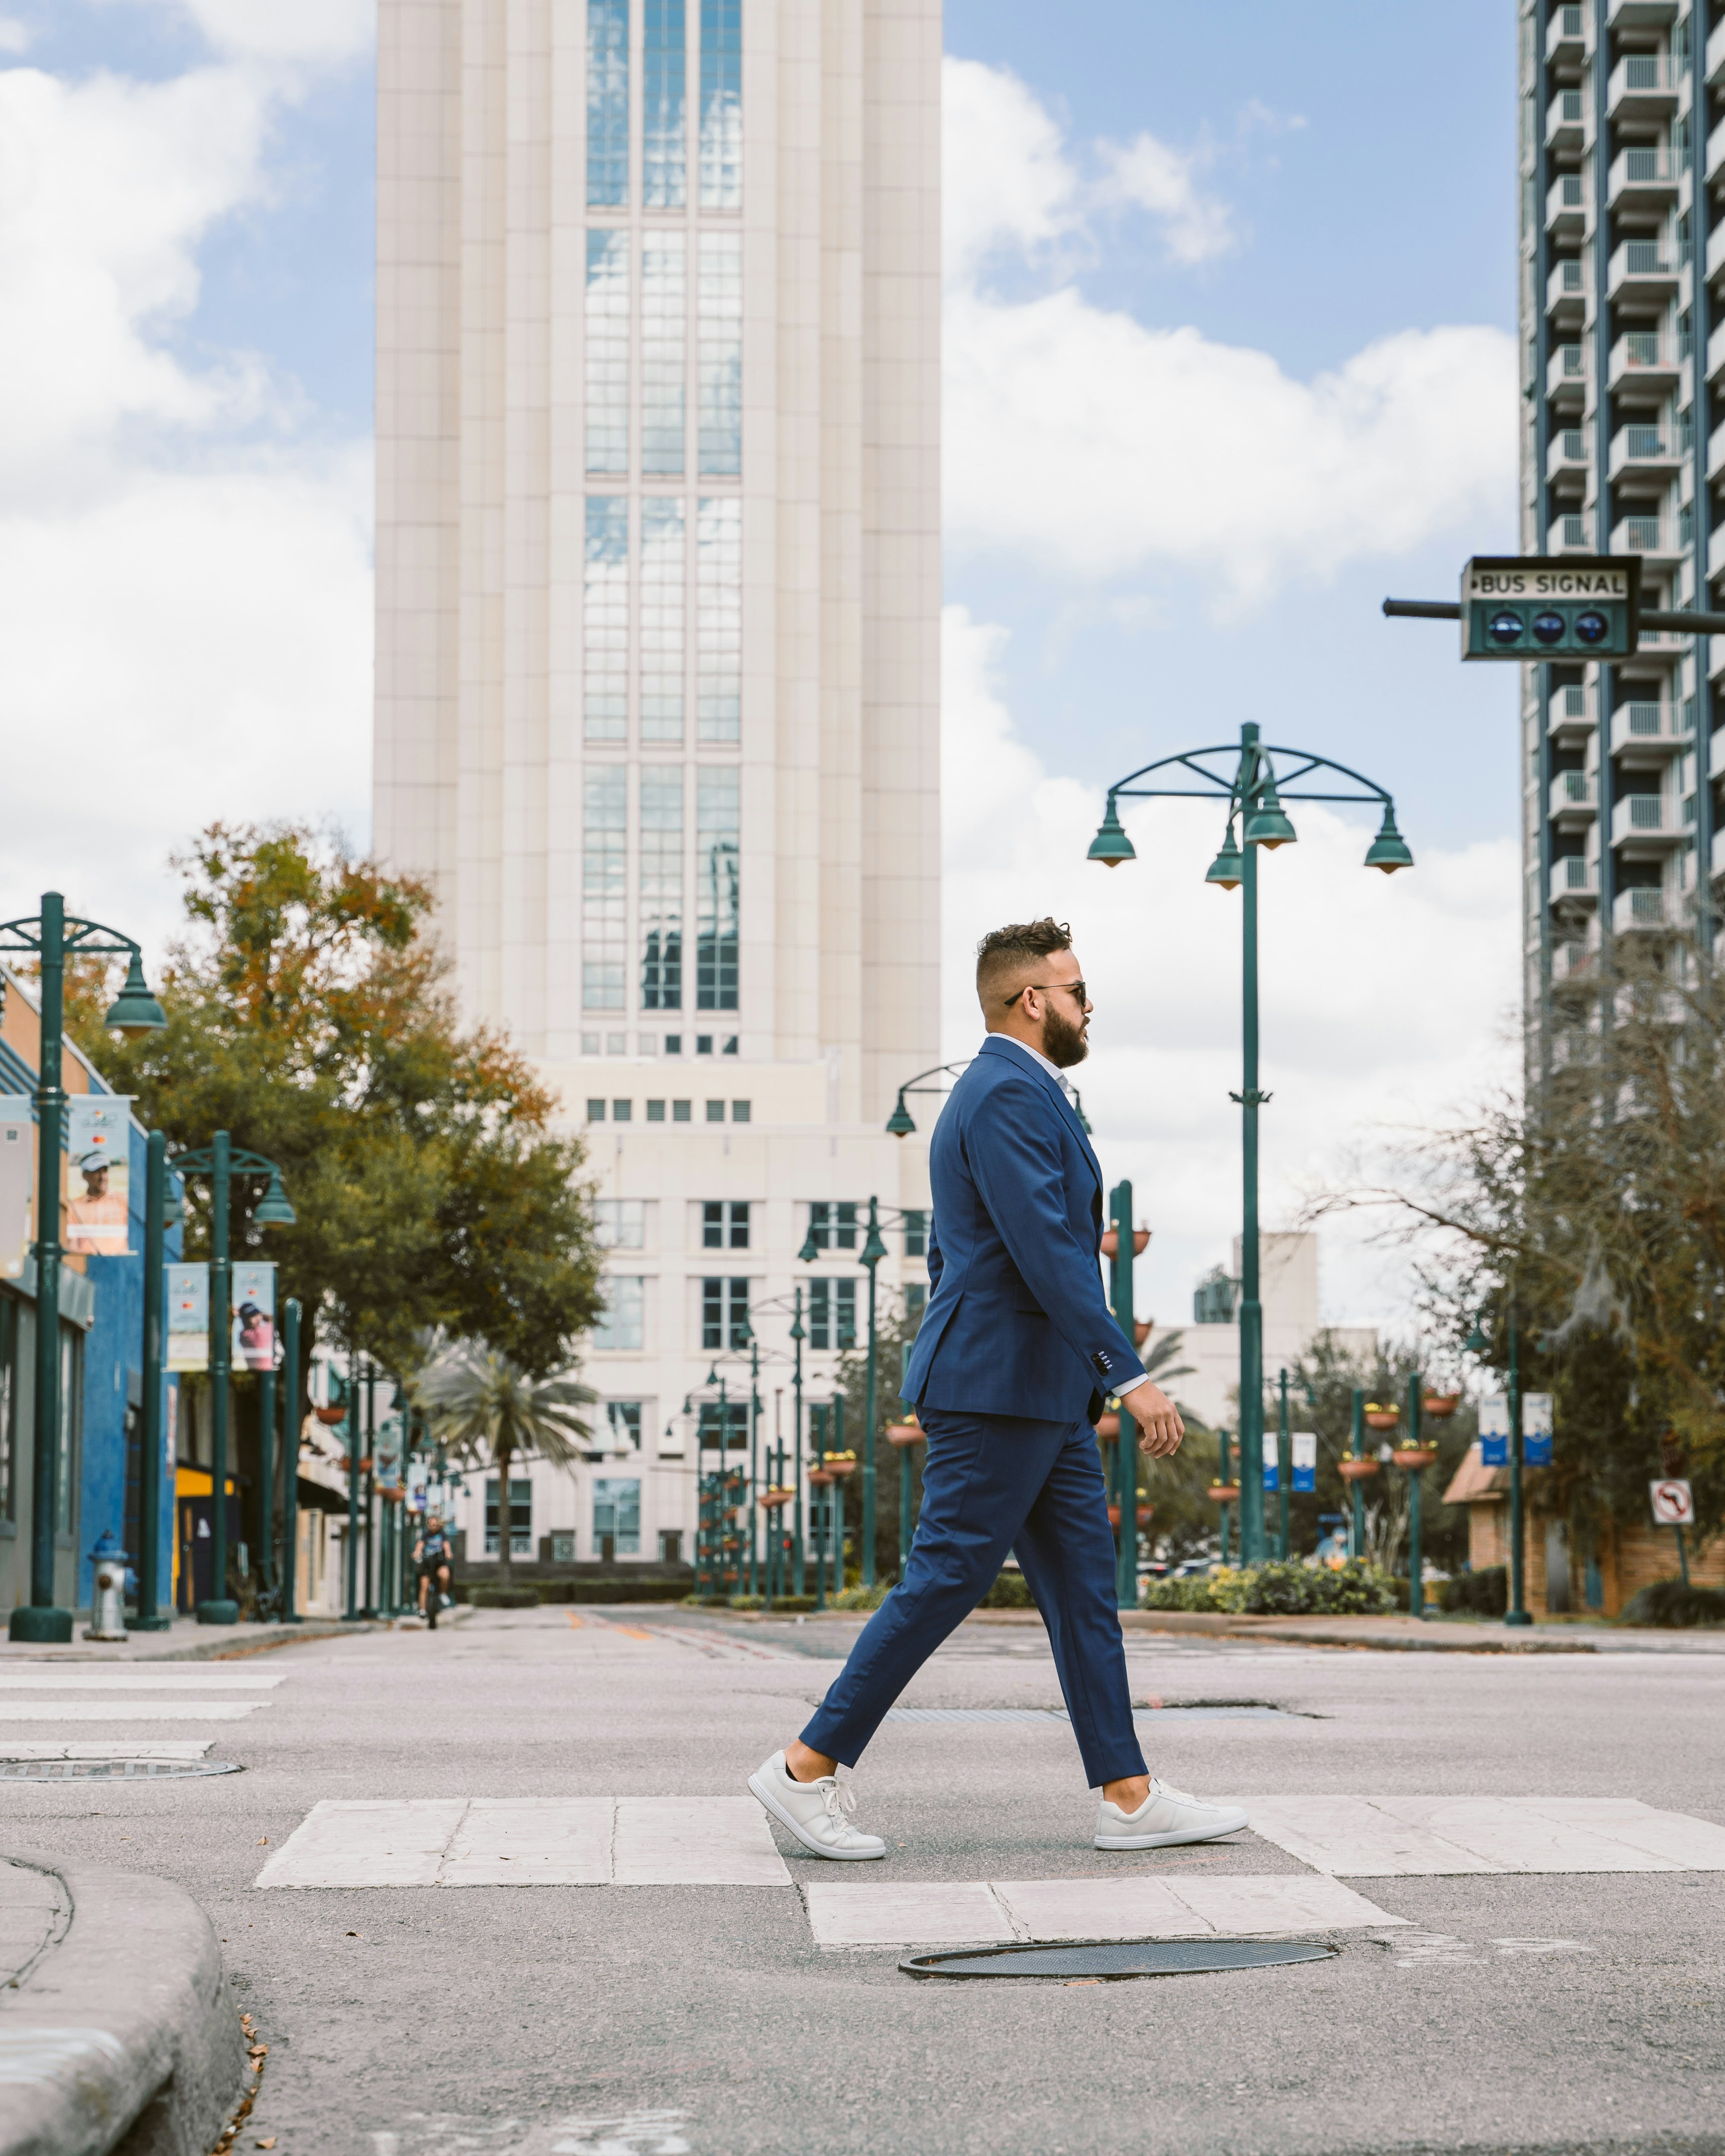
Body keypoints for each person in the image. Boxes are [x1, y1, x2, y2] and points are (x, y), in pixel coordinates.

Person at [749, 917, 1250, 1861]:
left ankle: (1128, 1796)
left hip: (1036, 1389)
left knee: (1080, 1593)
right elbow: (1044, 1255)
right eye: (1074, 989)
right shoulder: (1005, 1095)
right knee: (946, 1578)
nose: (1086, 1004)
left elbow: (962, 1247)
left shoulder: (1011, 1094)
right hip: (995, 1390)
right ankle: (804, 1768)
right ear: (1031, 1000)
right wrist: (1129, 1373)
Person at [415, 1515, 453, 1627]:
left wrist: (448, 1553)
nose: (434, 1527)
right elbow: (420, 1545)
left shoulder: (442, 1534)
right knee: (424, 1586)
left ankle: (442, 1593)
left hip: (439, 1563)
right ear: (428, 1525)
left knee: (445, 1575)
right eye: (432, 1525)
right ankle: (423, 1610)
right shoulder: (425, 1535)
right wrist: (417, 1552)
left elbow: (446, 1545)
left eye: (436, 1525)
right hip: (427, 1565)